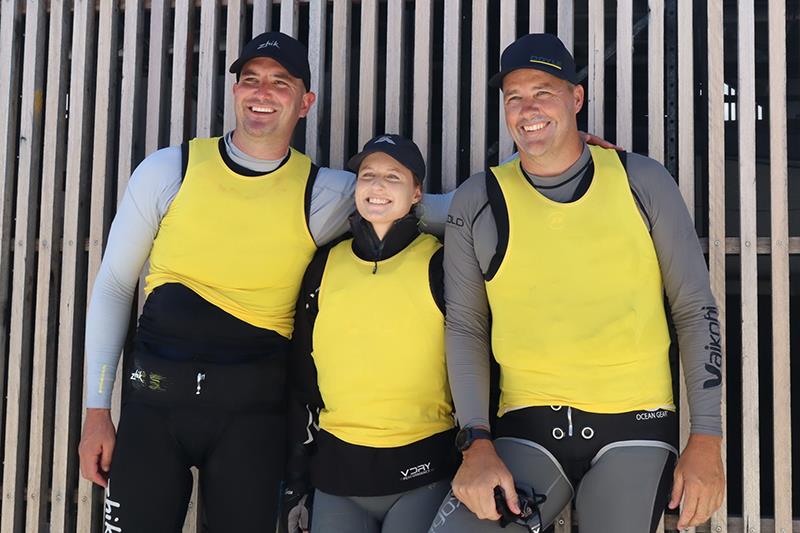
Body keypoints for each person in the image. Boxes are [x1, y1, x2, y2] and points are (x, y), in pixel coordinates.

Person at [76, 32, 451, 532]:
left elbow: (433, 207)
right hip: (154, 406)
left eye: (280, 82)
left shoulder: (325, 192)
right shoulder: (170, 170)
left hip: (251, 421)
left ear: (305, 102)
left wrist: (550, 160)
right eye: (249, 80)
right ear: (234, 92)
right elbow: (114, 288)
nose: (261, 92)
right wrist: (96, 410)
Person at [429, 33, 725, 533]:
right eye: (514, 97)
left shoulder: (641, 181)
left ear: (576, 97)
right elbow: (465, 328)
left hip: (637, 426)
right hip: (525, 430)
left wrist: (707, 440)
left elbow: (695, 309)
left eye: (543, 91)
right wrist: (475, 442)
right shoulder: (476, 200)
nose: (528, 109)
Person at [282, 134, 457, 533]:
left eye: (393, 177)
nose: (377, 186)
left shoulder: (441, 263)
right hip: (338, 477)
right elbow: (303, 379)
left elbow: (475, 364)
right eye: (368, 175)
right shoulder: (324, 263)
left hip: (424, 471)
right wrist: (296, 484)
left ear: (416, 193)